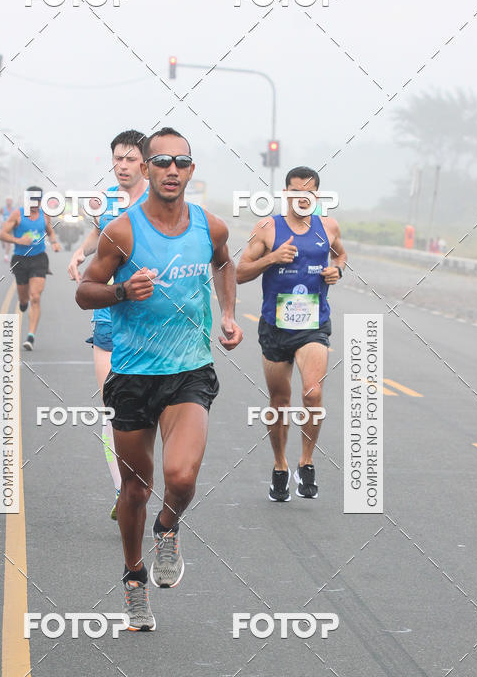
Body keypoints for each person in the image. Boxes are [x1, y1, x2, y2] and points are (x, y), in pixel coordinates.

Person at [76, 127, 243, 631]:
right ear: (146, 169)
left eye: (182, 162)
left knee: (182, 478)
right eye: (162, 161)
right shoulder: (123, 231)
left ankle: (168, 528)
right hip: (132, 375)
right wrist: (123, 292)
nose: (172, 170)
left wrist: (229, 314)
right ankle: (133, 577)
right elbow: (86, 290)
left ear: (191, 171)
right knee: (135, 490)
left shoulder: (209, 227)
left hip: (189, 371)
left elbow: (225, 265)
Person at [237, 166, 347, 501]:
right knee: (280, 402)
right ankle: (281, 465)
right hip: (275, 326)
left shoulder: (327, 226)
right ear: (285, 193)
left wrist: (337, 269)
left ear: (317, 195)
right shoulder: (268, 227)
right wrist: (272, 258)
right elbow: (240, 272)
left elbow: (341, 252)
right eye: (296, 190)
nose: (302, 196)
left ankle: (307, 462)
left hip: (314, 325)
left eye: (309, 191)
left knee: (312, 394)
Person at [68, 130, 149, 520]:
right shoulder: (108, 201)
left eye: (130, 159)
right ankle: (124, 489)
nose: (122, 165)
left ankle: (142, 479)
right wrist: (81, 253)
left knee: (149, 413)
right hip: (108, 317)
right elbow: (100, 230)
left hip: (151, 322)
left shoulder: (160, 202)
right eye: (117, 158)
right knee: (112, 409)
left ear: (146, 163)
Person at [0, 186, 61, 350]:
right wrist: (19, 241)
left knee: (35, 297)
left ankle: (30, 336)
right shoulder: (17, 214)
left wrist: (54, 243)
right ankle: (23, 303)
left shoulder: (44, 215)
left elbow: (50, 231)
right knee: (24, 299)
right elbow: (2, 234)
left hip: (39, 259)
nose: (33, 205)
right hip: (20, 260)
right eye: (30, 201)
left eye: (37, 201)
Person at [0, 196, 15, 261]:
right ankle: (2, 243)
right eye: (7, 200)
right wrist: (0, 221)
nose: (8, 202)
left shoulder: (14, 210)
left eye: (10, 201)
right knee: (2, 238)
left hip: (10, 227)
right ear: (6, 201)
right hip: (3, 226)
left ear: (12, 202)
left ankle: (6, 256)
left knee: (9, 242)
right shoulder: (2, 209)